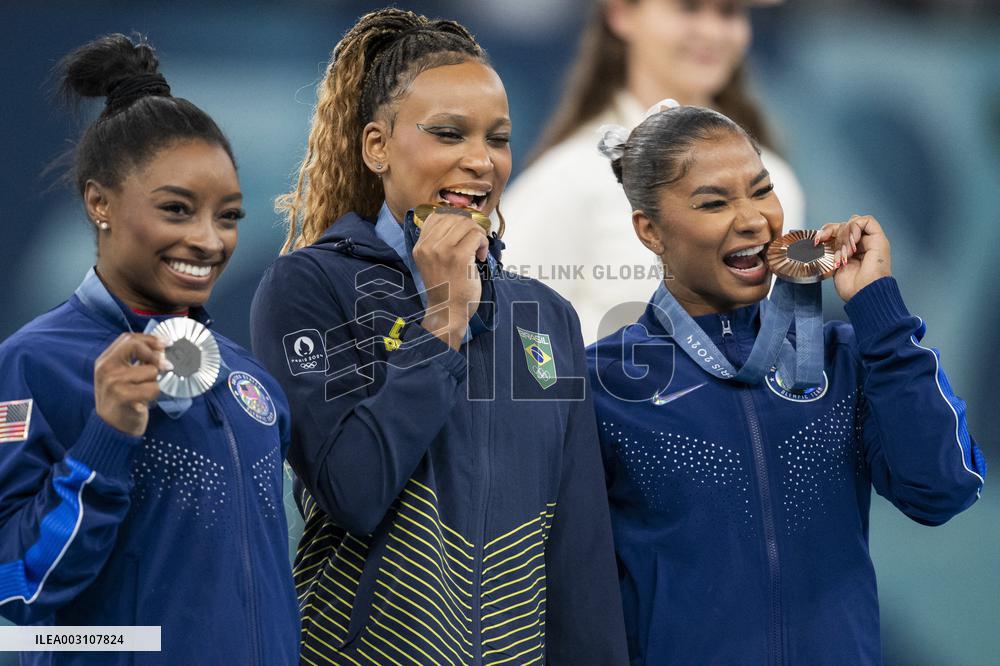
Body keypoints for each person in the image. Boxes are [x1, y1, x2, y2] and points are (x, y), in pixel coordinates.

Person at [250, 8, 627, 665]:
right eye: (449, 133)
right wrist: (444, 317)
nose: (480, 161)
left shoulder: (548, 318)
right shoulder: (308, 289)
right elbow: (354, 493)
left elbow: (580, 558)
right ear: (377, 147)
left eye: (499, 139)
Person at [587, 102, 986, 664]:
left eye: (761, 190)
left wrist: (878, 310)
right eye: (714, 202)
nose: (753, 219)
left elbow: (943, 488)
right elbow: (573, 588)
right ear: (649, 231)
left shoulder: (844, 356)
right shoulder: (603, 383)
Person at [0, 34, 299, 665]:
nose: (209, 240)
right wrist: (105, 438)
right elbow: (16, 589)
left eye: (229, 216)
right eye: (176, 210)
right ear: (98, 202)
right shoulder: (33, 364)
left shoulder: (251, 384)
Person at [503, 0, 802, 343]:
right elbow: (507, 334)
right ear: (621, 13)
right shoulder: (570, 177)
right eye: (688, 9)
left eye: (728, 13)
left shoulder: (776, 179)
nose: (711, 31)